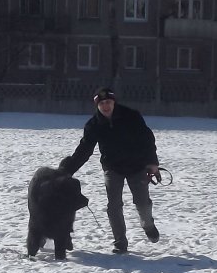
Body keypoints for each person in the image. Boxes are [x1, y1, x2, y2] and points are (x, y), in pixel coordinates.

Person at [61, 87, 161, 254]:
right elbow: (84, 150)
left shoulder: (131, 116)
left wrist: (152, 162)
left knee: (142, 202)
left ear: (114, 102)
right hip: (112, 168)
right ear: (97, 105)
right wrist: (67, 170)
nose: (105, 106)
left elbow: (147, 140)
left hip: (136, 166)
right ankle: (120, 241)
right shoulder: (94, 125)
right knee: (114, 205)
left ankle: (148, 224)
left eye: (108, 102)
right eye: (102, 103)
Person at [26, 157, 89, 260]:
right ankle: (60, 253)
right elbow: (72, 203)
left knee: (36, 230)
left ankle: (31, 253)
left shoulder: (44, 177)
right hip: (55, 218)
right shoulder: (69, 183)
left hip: (38, 213)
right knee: (61, 228)